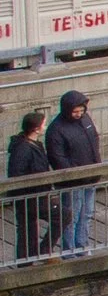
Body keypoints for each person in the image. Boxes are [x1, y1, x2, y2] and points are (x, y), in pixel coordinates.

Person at [44, 90, 99, 253]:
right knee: (72, 216)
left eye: (81, 111)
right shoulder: (56, 129)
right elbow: (57, 157)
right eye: (75, 111)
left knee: (87, 213)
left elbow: (94, 143)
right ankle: (69, 249)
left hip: (91, 175)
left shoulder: (85, 119)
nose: (79, 114)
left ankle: (82, 244)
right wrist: (74, 173)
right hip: (72, 180)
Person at [8, 109, 51, 261]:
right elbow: (16, 173)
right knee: (61, 216)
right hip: (29, 195)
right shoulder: (23, 148)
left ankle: (31, 258)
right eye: (43, 125)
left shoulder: (35, 144)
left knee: (29, 229)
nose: (45, 127)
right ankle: (35, 255)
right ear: (36, 128)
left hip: (36, 193)